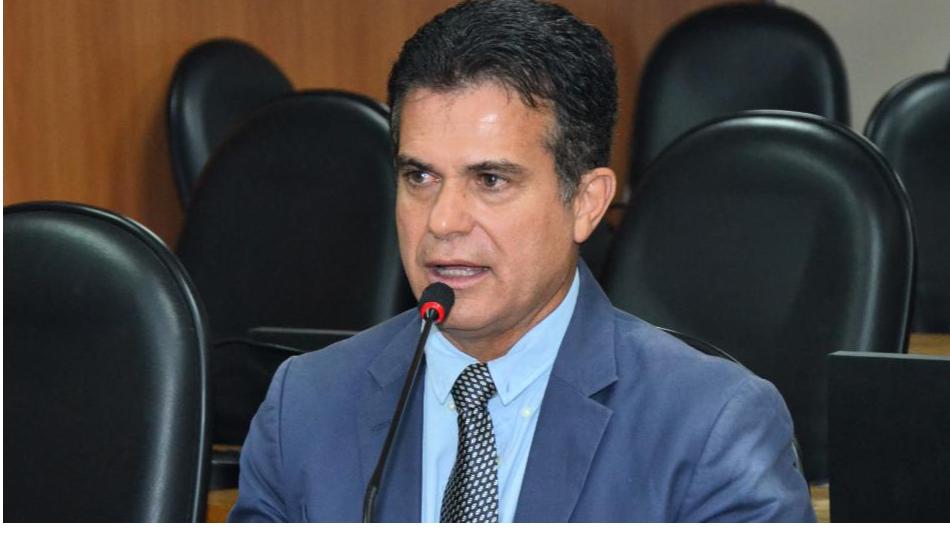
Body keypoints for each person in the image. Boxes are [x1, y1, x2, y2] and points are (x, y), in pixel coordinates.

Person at [230, 0, 815, 522]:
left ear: (585, 203)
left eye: (490, 180)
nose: (443, 221)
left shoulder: (708, 424)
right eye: (420, 177)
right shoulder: (306, 406)